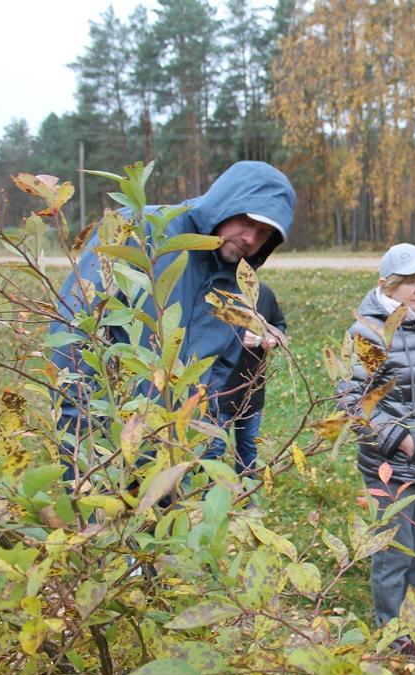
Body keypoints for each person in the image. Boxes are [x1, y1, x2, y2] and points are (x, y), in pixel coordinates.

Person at [51, 161, 295, 481]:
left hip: (179, 460)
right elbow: (75, 326)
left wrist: (203, 443)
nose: (250, 238)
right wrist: (79, 440)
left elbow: (217, 370)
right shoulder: (141, 229)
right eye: (246, 220)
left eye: (264, 233)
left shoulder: (237, 282)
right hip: (109, 449)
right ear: (225, 201)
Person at [339, 243, 415, 657]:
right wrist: (398, 439)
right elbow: (353, 400)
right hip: (393, 465)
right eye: (410, 281)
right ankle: (392, 635)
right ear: (386, 284)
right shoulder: (368, 331)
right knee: (395, 552)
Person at [206, 282, 287, 477]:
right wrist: (234, 339)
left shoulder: (265, 294)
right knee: (214, 450)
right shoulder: (215, 296)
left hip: (252, 390)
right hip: (219, 390)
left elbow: (279, 324)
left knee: (248, 449)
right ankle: (205, 500)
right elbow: (202, 334)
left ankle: (246, 499)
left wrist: (273, 338)